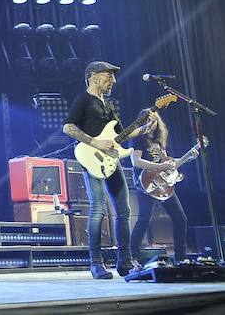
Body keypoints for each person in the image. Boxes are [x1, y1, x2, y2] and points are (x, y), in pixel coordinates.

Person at [62, 61, 150, 279]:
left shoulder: (108, 105)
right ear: (93, 77)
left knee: (124, 211)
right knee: (98, 208)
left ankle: (125, 261)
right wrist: (95, 142)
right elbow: (68, 127)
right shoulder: (83, 100)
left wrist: (142, 129)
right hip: (92, 159)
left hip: (112, 160)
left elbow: (121, 134)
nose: (113, 80)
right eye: (108, 76)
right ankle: (96, 263)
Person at [129, 111, 188, 263]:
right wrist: (160, 165)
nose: (150, 123)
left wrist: (185, 158)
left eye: (153, 120)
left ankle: (181, 258)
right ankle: (132, 255)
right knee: (144, 219)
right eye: (146, 120)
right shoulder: (138, 139)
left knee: (180, 218)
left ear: (157, 122)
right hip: (146, 183)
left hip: (162, 185)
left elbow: (167, 163)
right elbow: (136, 161)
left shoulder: (159, 141)